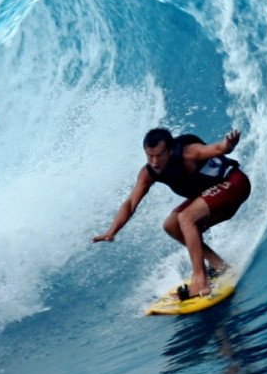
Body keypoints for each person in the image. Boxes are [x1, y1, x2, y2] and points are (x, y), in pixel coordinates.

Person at [93, 126, 250, 298]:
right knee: (171, 225)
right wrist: (112, 231)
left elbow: (218, 148)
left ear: (170, 151)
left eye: (159, 155)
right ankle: (220, 266)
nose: (154, 161)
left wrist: (228, 144)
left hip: (234, 184)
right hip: (214, 197)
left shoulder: (188, 153)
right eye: (149, 156)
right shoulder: (148, 173)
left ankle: (200, 282)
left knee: (186, 217)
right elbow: (130, 203)